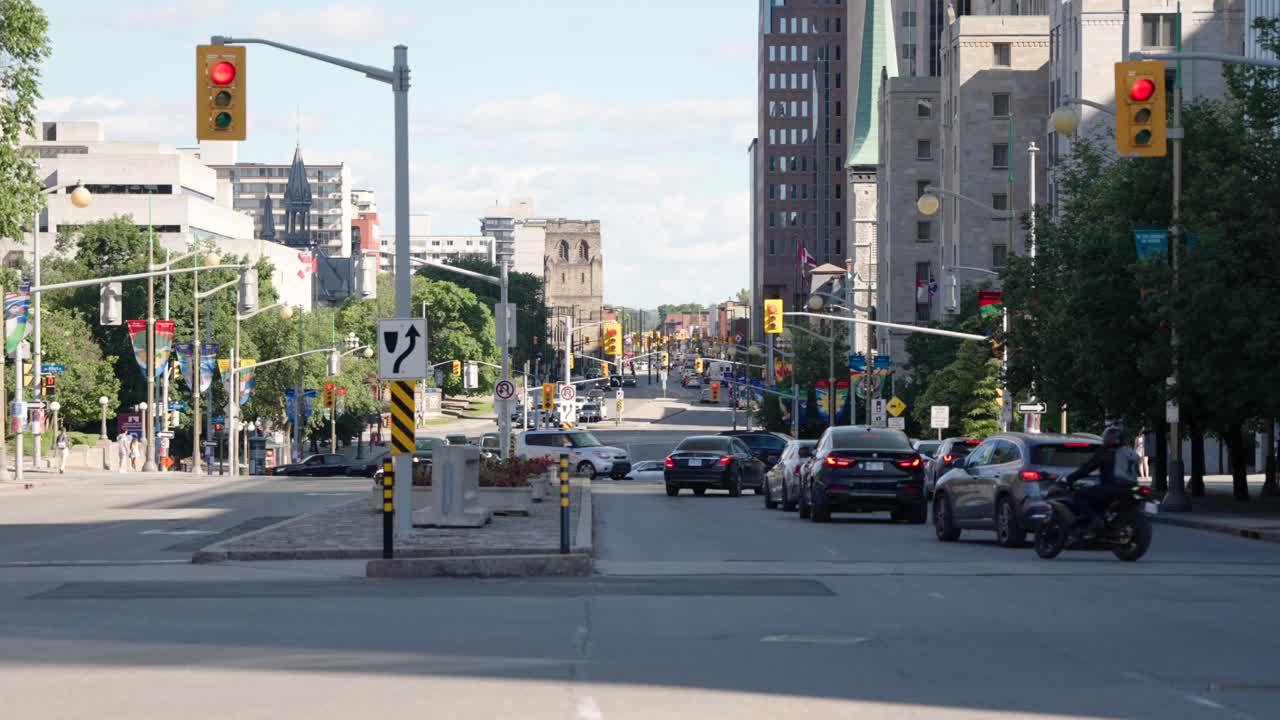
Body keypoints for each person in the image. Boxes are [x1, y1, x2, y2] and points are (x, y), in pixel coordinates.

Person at [1064, 426, 1140, 529]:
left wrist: (1070, 478)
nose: (1105, 439)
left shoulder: (1106, 452)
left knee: (1079, 495)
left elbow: (1087, 468)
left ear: (1112, 439)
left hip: (1112, 488)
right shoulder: (1129, 452)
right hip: (1131, 488)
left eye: (1107, 437)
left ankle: (1095, 519)